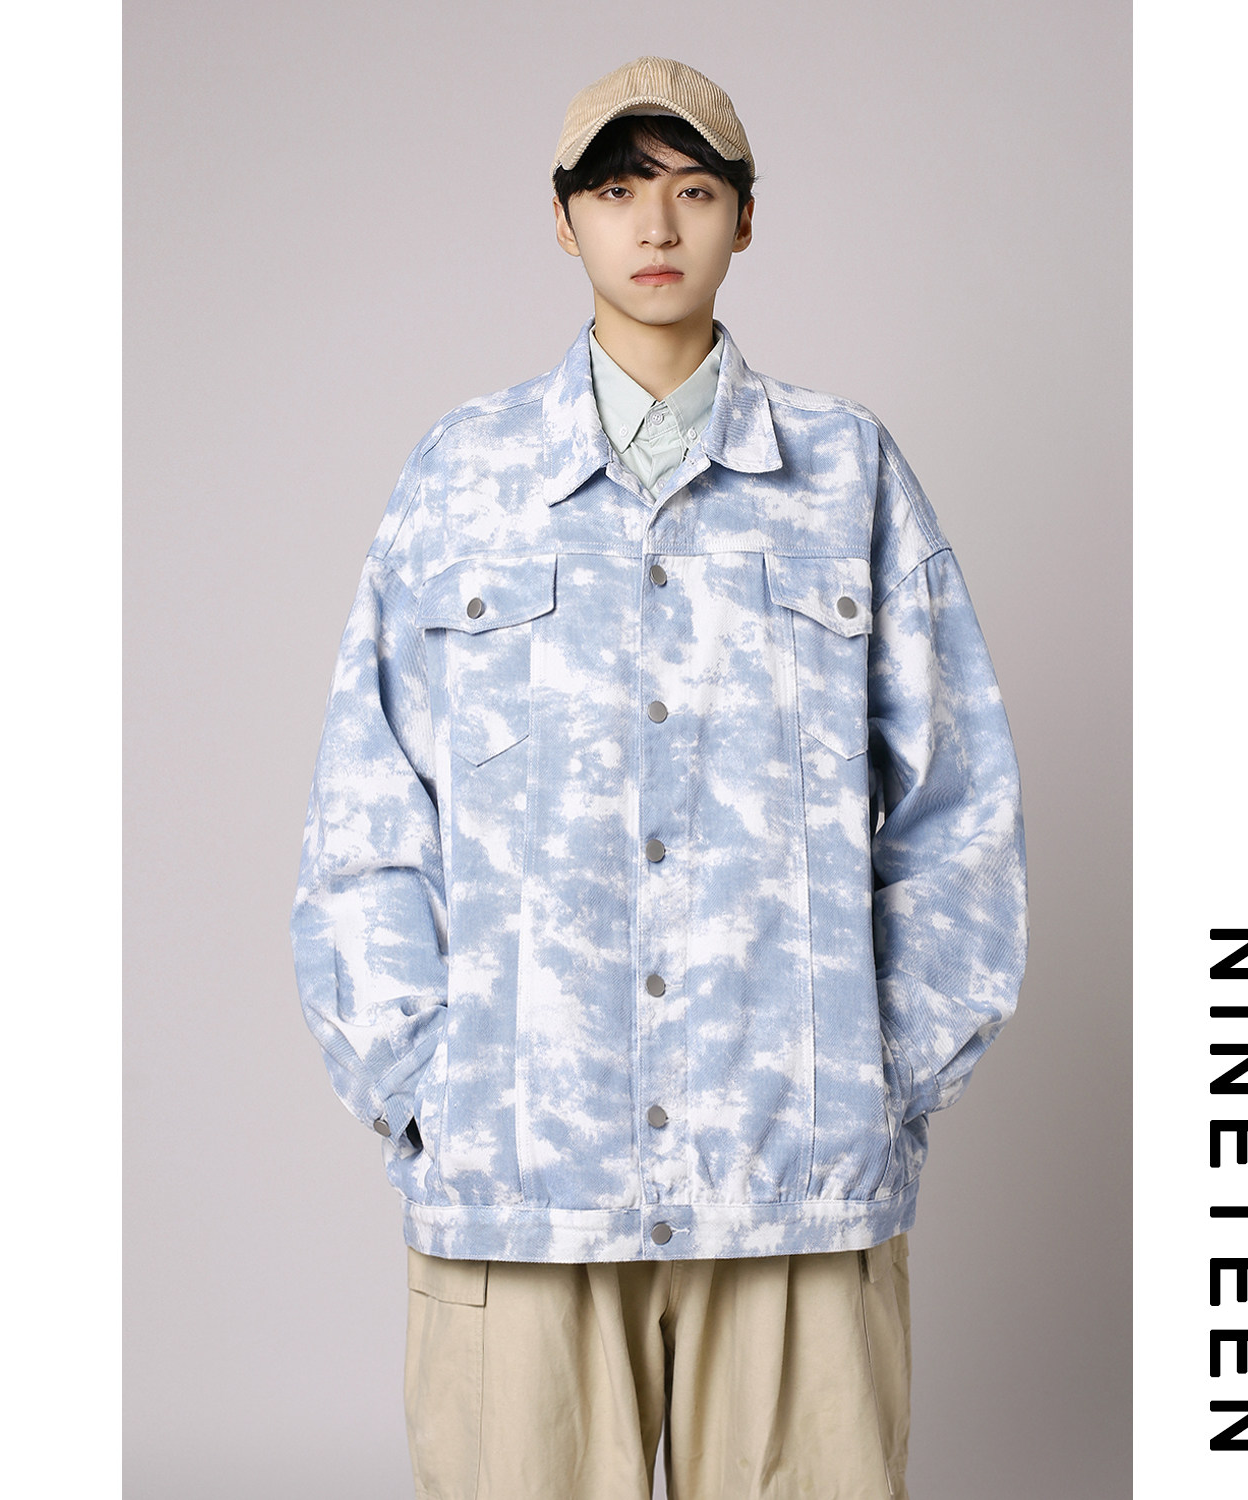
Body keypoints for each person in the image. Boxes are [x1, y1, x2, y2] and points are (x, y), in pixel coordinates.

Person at [290, 54, 1028, 1500]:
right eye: (619, 190)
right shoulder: (463, 478)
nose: (656, 224)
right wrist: (424, 1085)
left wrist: (880, 1079)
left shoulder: (849, 475)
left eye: (694, 191)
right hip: (521, 1181)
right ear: (562, 218)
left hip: (796, 1180)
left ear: (746, 219)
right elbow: (366, 813)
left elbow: (961, 811)